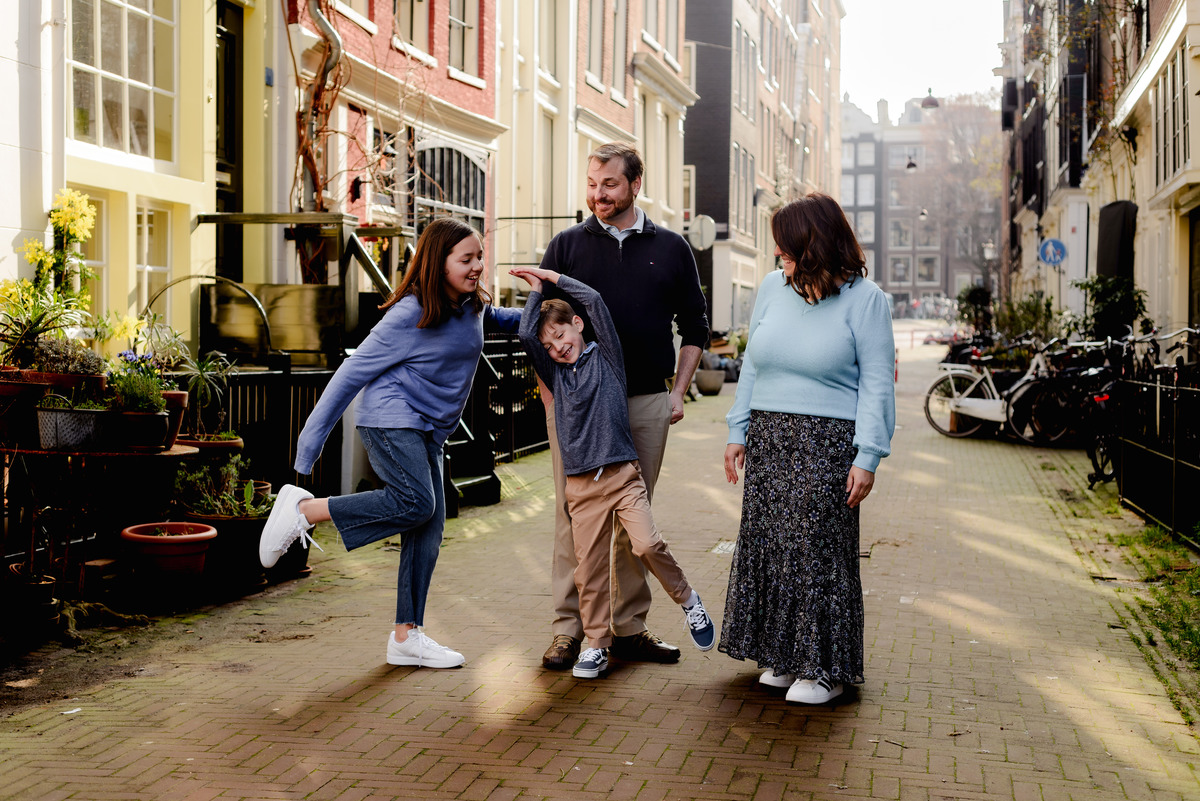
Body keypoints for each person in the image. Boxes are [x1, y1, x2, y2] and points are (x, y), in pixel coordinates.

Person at [258, 217, 521, 669]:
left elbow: (504, 319)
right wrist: (308, 447)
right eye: (466, 259)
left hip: (429, 430)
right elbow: (350, 375)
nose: (477, 266)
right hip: (391, 418)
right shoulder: (408, 315)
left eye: (480, 256)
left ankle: (406, 636)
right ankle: (304, 510)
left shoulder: (471, 306)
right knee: (417, 503)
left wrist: (556, 308)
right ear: (439, 263)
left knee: (429, 530)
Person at [536, 142, 710, 671]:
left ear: (635, 184)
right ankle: (570, 632)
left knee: (635, 520)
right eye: (591, 184)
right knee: (574, 517)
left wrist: (677, 392)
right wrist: (552, 396)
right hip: (577, 410)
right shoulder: (566, 245)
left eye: (608, 184)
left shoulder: (674, 248)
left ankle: (629, 628)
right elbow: (536, 325)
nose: (597, 194)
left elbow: (696, 326)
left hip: (645, 403)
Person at [720, 194, 895, 705]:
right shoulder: (774, 288)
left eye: (787, 247)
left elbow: (878, 384)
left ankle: (824, 670)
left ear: (814, 243)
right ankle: (783, 654)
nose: (778, 255)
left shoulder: (866, 301)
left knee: (816, 553)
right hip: (770, 438)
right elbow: (753, 363)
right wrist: (738, 430)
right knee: (771, 547)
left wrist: (868, 456)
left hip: (827, 444)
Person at [511, 265, 715, 678]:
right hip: (581, 486)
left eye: (562, 336)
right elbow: (525, 336)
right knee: (588, 571)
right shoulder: (556, 372)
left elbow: (596, 301)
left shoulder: (607, 356)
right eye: (549, 345)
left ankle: (689, 600)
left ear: (578, 325)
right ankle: (596, 644)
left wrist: (553, 277)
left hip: (622, 476)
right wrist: (536, 292)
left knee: (647, 545)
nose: (557, 348)